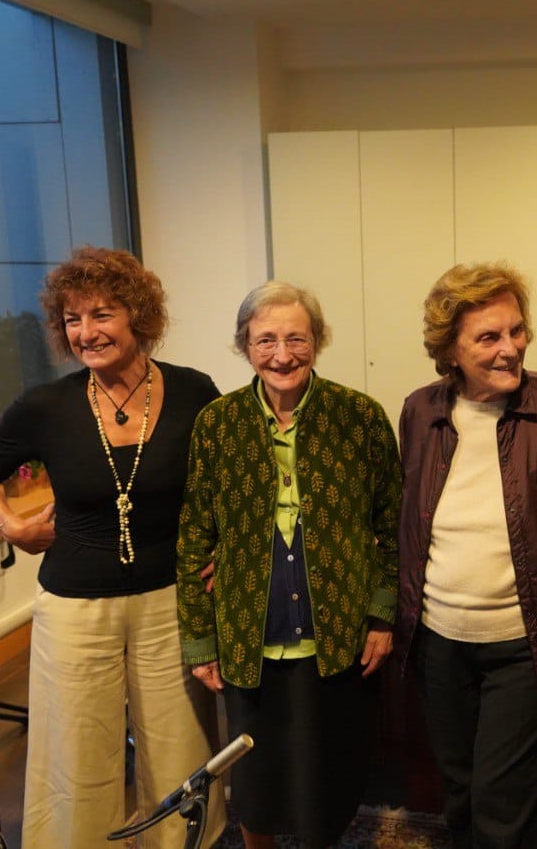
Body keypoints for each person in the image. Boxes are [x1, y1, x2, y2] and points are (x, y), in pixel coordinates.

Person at [0, 246, 224, 848]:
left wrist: (227, 548)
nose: (86, 333)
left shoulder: (193, 392)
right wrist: (11, 526)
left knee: (180, 747)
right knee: (76, 755)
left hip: (171, 600)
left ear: (139, 316)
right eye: (72, 320)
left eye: (101, 315)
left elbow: (230, 481)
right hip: (74, 607)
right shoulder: (46, 405)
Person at [176, 281, 402, 849]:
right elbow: (194, 536)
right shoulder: (217, 423)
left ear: (317, 341)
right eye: (266, 340)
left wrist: (382, 615)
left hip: (339, 632)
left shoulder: (360, 416)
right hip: (248, 633)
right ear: (245, 345)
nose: (282, 355)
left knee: (330, 773)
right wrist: (200, 640)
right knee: (256, 781)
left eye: (296, 339)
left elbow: (394, 524)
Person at [391, 262, 537, 848]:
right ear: (450, 350)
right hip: (438, 641)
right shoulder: (420, 410)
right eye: (488, 337)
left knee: (503, 808)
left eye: (516, 330)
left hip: (523, 644)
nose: (511, 349)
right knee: (458, 791)